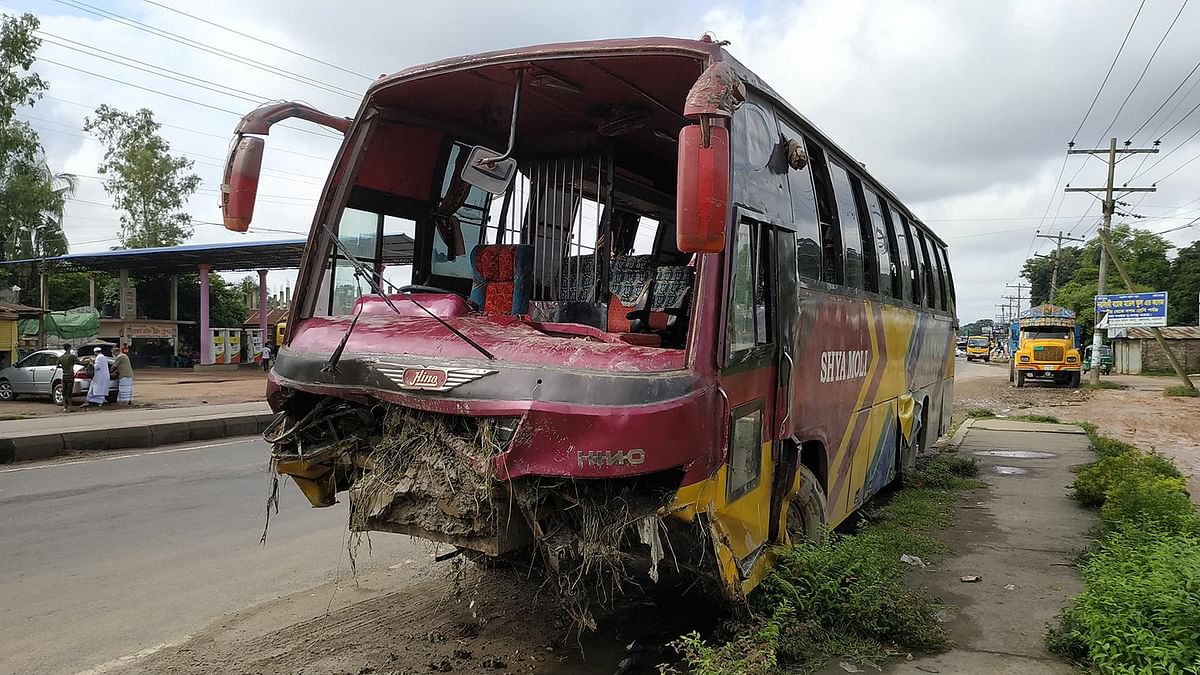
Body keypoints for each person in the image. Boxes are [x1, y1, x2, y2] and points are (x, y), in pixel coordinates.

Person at [55, 344, 79, 412]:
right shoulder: (71, 357)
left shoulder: (61, 357)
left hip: (64, 375)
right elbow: (79, 362)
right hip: (70, 375)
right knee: (69, 392)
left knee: (64, 392)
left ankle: (65, 407)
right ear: (69, 348)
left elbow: (57, 366)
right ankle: (70, 407)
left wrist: (62, 367)